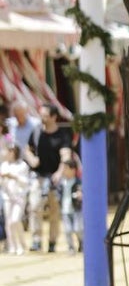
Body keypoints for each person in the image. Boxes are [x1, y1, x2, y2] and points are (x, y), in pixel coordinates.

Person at [25, 104, 70, 252]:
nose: (42, 118)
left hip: (55, 179)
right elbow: (27, 149)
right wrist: (32, 159)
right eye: (41, 115)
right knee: (34, 207)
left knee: (54, 211)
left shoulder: (62, 135)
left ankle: (52, 241)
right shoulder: (36, 131)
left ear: (54, 117)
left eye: (45, 115)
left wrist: (59, 173)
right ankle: (36, 240)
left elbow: (66, 155)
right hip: (38, 177)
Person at [1, 142, 32, 254]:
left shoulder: (22, 165)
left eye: (11, 151)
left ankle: (21, 244)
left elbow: (26, 182)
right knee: (8, 222)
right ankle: (12, 245)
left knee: (16, 220)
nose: (9, 153)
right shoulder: (4, 165)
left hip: (19, 197)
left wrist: (13, 177)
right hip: (7, 196)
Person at [56, 157, 82, 253]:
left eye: (65, 168)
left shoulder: (78, 182)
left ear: (73, 170)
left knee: (78, 229)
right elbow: (58, 193)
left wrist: (80, 194)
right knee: (67, 230)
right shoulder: (62, 182)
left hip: (76, 209)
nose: (63, 171)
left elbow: (82, 192)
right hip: (65, 209)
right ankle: (71, 247)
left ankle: (81, 243)